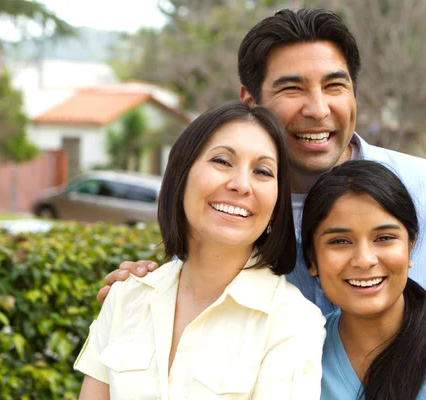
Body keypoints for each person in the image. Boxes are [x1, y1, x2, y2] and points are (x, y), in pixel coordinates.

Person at [99, 8, 426, 364]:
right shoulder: (235, 210)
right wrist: (145, 288)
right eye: (292, 88)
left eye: (335, 86)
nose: (318, 109)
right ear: (251, 101)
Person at [75, 102, 325, 399]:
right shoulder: (126, 296)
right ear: (181, 175)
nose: (241, 185)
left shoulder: (292, 321)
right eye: (222, 161)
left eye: (262, 171)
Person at [300, 160, 426, 400]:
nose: (365, 260)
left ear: (410, 246)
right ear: (312, 259)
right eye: (339, 241)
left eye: (384, 237)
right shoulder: (299, 349)